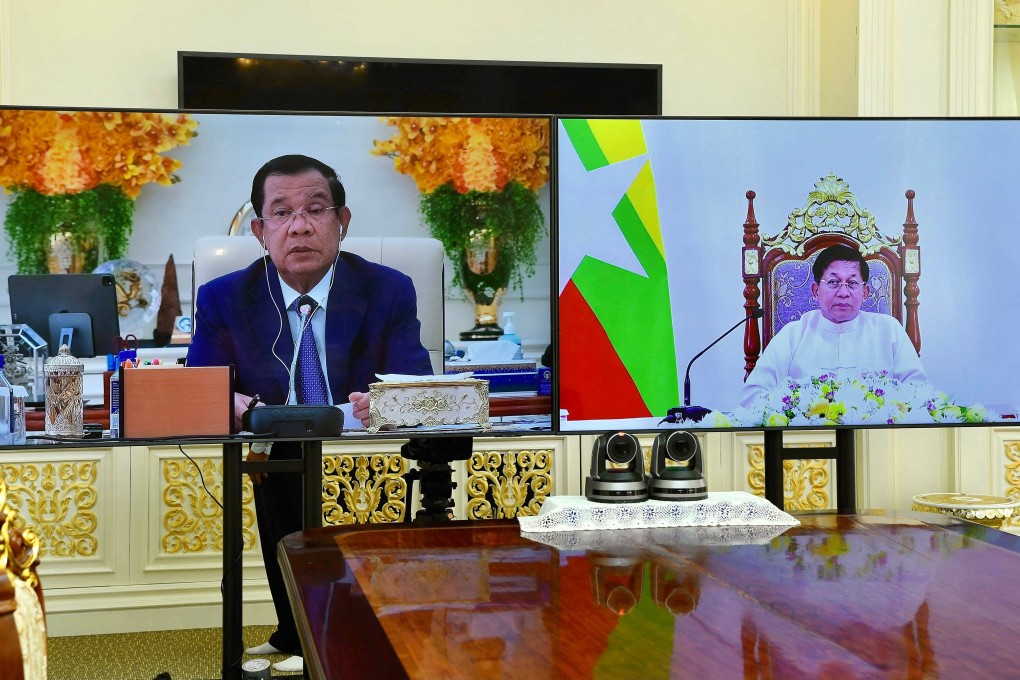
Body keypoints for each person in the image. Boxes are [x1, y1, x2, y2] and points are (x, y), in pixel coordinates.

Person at [187, 154, 432, 673]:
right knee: (283, 465)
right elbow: (201, 386)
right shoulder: (223, 298)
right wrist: (239, 405)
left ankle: (360, 638)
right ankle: (300, 635)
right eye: (281, 213)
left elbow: (411, 383)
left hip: (369, 463)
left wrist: (381, 402)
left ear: (341, 223)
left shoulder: (389, 290)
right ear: (259, 230)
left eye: (315, 209)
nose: (299, 226)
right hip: (276, 461)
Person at [740, 244, 927, 407]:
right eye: (833, 282)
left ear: (865, 292)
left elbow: (918, 391)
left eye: (852, 283)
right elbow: (752, 396)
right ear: (815, 291)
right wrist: (798, 410)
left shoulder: (888, 330)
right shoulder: (793, 335)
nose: (843, 292)